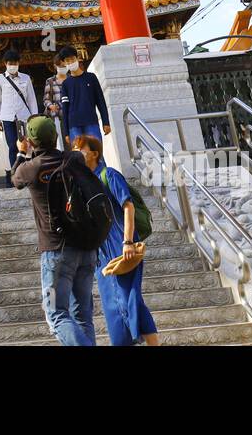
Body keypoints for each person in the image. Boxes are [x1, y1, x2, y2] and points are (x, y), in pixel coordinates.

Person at [12, 116, 96, 346]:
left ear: (30, 141)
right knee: (83, 316)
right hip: (87, 248)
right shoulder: (75, 159)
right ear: (56, 136)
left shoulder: (30, 169)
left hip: (56, 251)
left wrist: (21, 152)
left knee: (56, 315)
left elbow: (14, 178)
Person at [72, 134, 158, 346]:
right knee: (113, 307)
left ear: (94, 153)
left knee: (130, 299)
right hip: (101, 255)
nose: (76, 153)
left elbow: (127, 206)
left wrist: (128, 241)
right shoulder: (83, 183)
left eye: (80, 149)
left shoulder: (108, 175)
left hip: (121, 245)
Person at [0, 48, 38, 184]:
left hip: (24, 116)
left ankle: (27, 175)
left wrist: (34, 117)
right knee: (12, 146)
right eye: (10, 63)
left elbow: (31, 99)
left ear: (18, 63)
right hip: (7, 117)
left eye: (15, 63)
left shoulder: (26, 78)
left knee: (25, 146)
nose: (12, 65)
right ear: (5, 64)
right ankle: (15, 176)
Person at [58, 45, 111, 152]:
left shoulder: (91, 78)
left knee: (97, 154)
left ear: (77, 58)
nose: (70, 63)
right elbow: (65, 109)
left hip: (91, 122)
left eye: (72, 59)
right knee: (80, 158)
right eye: (67, 61)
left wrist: (106, 122)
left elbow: (100, 101)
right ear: (64, 63)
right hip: (74, 126)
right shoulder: (66, 84)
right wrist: (66, 132)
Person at [42, 51, 67, 146]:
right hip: (56, 116)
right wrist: (51, 106)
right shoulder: (50, 81)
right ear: (55, 66)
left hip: (70, 114)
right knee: (60, 143)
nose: (63, 68)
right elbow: (46, 99)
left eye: (64, 66)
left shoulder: (71, 79)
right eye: (60, 66)